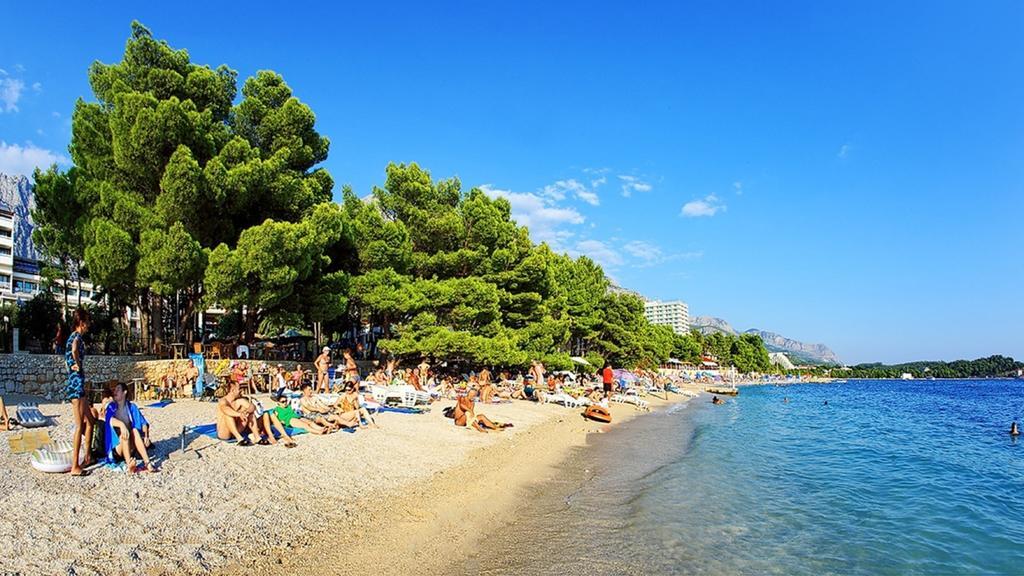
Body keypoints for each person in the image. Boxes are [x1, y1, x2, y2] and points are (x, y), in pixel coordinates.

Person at [104, 382, 158, 473]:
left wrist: (146, 436)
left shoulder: (131, 407)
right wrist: (122, 425)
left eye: (118, 389)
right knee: (123, 435)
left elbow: (143, 423)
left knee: (135, 430)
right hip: (118, 447)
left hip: (130, 446)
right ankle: (129, 464)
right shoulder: (112, 407)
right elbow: (109, 420)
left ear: (124, 392)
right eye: (115, 390)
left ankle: (147, 463)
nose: (115, 391)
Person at [65, 308, 94, 476]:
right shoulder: (76, 337)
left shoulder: (70, 337)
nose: (88, 326)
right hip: (76, 386)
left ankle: (88, 456)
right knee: (79, 426)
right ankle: (75, 466)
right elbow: (75, 349)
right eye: (87, 323)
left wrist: (72, 365)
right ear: (81, 323)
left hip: (78, 384)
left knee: (90, 421)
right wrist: (78, 364)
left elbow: (68, 357)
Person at [217, 380, 259, 446]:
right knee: (228, 415)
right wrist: (239, 414)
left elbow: (252, 406)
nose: (241, 390)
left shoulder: (239, 401)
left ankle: (257, 437)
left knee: (250, 413)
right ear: (233, 390)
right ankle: (239, 438)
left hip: (237, 429)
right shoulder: (223, 401)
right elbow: (225, 409)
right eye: (239, 389)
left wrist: (246, 411)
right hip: (225, 433)